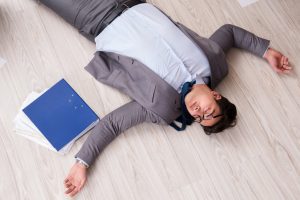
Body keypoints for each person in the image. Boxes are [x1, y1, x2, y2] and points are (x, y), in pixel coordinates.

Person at [36, 0, 291, 197]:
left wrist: (83, 163)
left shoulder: (163, 108)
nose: (197, 112)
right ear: (216, 95)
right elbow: (231, 33)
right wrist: (266, 51)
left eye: (200, 119)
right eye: (208, 111)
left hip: (94, 17)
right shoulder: (214, 63)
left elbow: (114, 123)